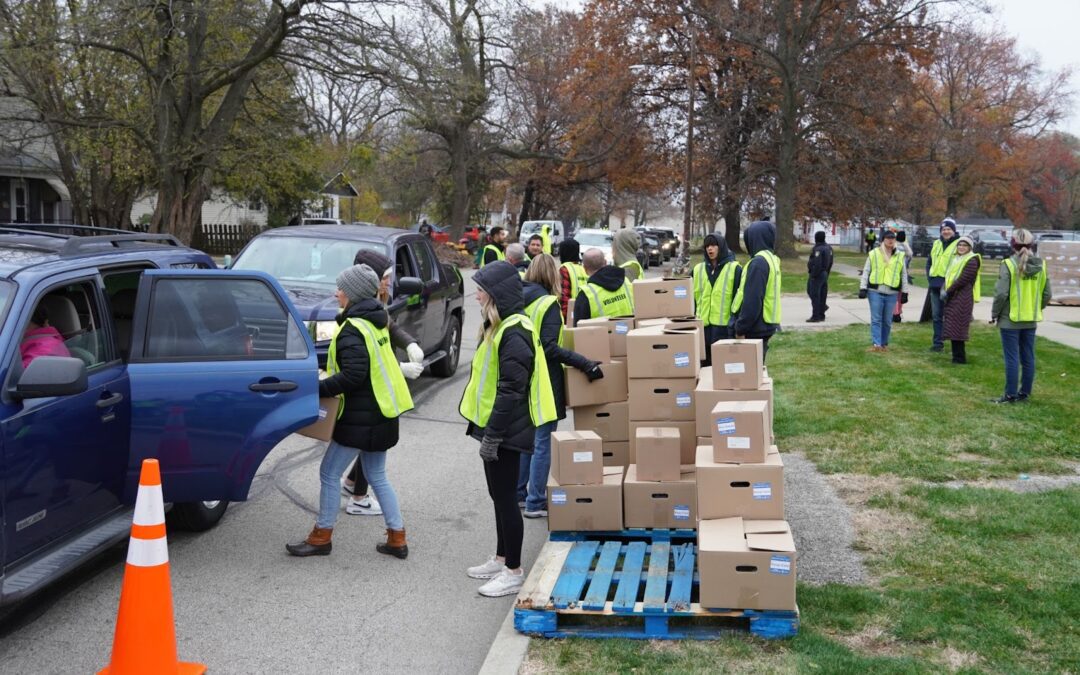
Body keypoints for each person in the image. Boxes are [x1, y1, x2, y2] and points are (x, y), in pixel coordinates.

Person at [287, 264, 414, 559]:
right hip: (383, 411)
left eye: (340, 288)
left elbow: (354, 375)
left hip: (361, 416)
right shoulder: (376, 322)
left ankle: (321, 536)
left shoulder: (352, 329)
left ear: (354, 293)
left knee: (329, 472)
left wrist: (317, 387)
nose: (336, 293)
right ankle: (397, 538)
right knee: (377, 475)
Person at [460, 261, 556, 597]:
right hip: (496, 427)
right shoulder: (499, 325)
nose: (477, 295)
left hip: (506, 430)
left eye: (481, 289)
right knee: (498, 497)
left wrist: (494, 435)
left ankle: (513, 570)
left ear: (496, 293)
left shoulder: (514, 330)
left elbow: (511, 390)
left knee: (506, 500)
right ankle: (501, 558)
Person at [338, 250, 425, 516]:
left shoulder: (374, 302)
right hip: (369, 389)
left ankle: (353, 484)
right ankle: (359, 498)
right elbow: (365, 362)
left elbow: (390, 328)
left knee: (371, 438)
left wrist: (410, 343)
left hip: (376, 388)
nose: (389, 282)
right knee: (370, 438)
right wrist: (399, 369)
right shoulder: (356, 306)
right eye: (385, 277)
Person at [518, 254, 603, 518]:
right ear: (551, 275)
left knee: (527, 440)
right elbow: (551, 347)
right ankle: (535, 502)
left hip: (523, 374)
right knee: (543, 440)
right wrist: (584, 362)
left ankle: (520, 494)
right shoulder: (548, 304)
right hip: (544, 380)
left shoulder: (520, 299)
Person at [990, 229, 1050, 403]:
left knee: (1012, 358)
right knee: (1028, 357)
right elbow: (1047, 294)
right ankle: (1025, 393)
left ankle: (1010, 394)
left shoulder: (1009, 264)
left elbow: (1001, 294)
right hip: (1030, 319)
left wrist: (995, 313)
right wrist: (1035, 307)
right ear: (1031, 245)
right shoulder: (1041, 265)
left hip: (1011, 318)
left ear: (1012, 244)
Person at [731, 220, 782, 361]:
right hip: (765, 325)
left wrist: (740, 328)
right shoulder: (772, 259)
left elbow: (752, 300)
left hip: (754, 329)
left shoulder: (758, 263)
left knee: (747, 377)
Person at [693, 232, 742, 365]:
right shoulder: (698, 269)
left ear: (721, 247)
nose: (710, 249)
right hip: (702, 328)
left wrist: (736, 325)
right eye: (707, 246)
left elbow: (738, 300)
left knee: (721, 366)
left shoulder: (734, 269)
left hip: (724, 329)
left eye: (714, 245)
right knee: (703, 367)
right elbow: (693, 298)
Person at [858, 230, 908, 352]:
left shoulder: (900, 255)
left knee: (887, 320)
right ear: (883, 240)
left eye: (892, 238)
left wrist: (905, 292)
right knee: (876, 319)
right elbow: (866, 271)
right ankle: (877, 344)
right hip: (875, 290)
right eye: (887, 238)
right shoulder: (874, 253)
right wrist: (863, 287)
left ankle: (884, 343)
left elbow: (903, 274)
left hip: (892, 292)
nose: (890, 240)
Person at [941, 236, 980, 364]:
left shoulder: (972, 260)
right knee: (953, 326)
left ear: (970, 248)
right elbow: (949, 275)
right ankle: (956, 356)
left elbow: (963, 279)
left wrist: (948, 291)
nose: (961, 247)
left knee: (958, 328)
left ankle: (959, 358)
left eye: (965, 245)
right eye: (959, 245)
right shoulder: (956, 259)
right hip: (953, 295)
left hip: (962, 296)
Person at [572, 248, 635, 325]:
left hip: (604, 336)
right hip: (629, 333)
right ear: (605, 262)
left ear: (584, 268)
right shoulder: (626, 281)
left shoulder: (587, 294)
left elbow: (579, 328)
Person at [925, 218, 960, 352]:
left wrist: (950, 284)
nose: (946, 231)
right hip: (934, 285)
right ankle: (937, 343)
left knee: (951, 316)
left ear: (953, 231)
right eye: (944, 229)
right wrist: (930, 278)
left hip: (950, 286)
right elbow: (929, 263)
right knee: (936, 316)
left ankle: (955, 343)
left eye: (948, 229)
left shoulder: (959, 244)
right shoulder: (936, 244)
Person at [806, 230, 833, 322]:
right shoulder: (829, 248)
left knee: (814, 294)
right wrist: (827, 272)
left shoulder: (818, 249)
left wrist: (813, 274)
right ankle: (821, 313)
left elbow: (817, 263)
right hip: (825, 273)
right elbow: (831, 262)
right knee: (822, 294)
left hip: (817, 274)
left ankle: (816, 316)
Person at [557, 238, 587, 317]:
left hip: (571, 315)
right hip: (584, 313)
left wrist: (564, 319)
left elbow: (564, 297)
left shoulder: (564, 269)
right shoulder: (583, 268)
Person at [892, 231, 913, 323]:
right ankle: (899, 312)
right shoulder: (906, 247)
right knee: (902, 294)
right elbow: (910, 256)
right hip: (903, 273)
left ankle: (895, 313)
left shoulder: (893, 246)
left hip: (894, 273)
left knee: (894, 294)